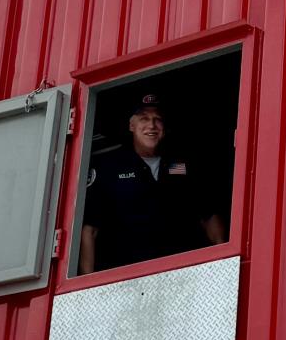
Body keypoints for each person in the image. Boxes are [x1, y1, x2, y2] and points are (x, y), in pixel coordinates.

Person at [78, 93, 226, 277]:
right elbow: (90, 230)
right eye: (144, 119)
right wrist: (88, 282)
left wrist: (223, 265)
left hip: (183, 274)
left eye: (158, 119)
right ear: (131, 125)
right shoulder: (110, 168)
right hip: (126, 278)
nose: (152, 125)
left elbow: (208, 214)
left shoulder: (180, 165)